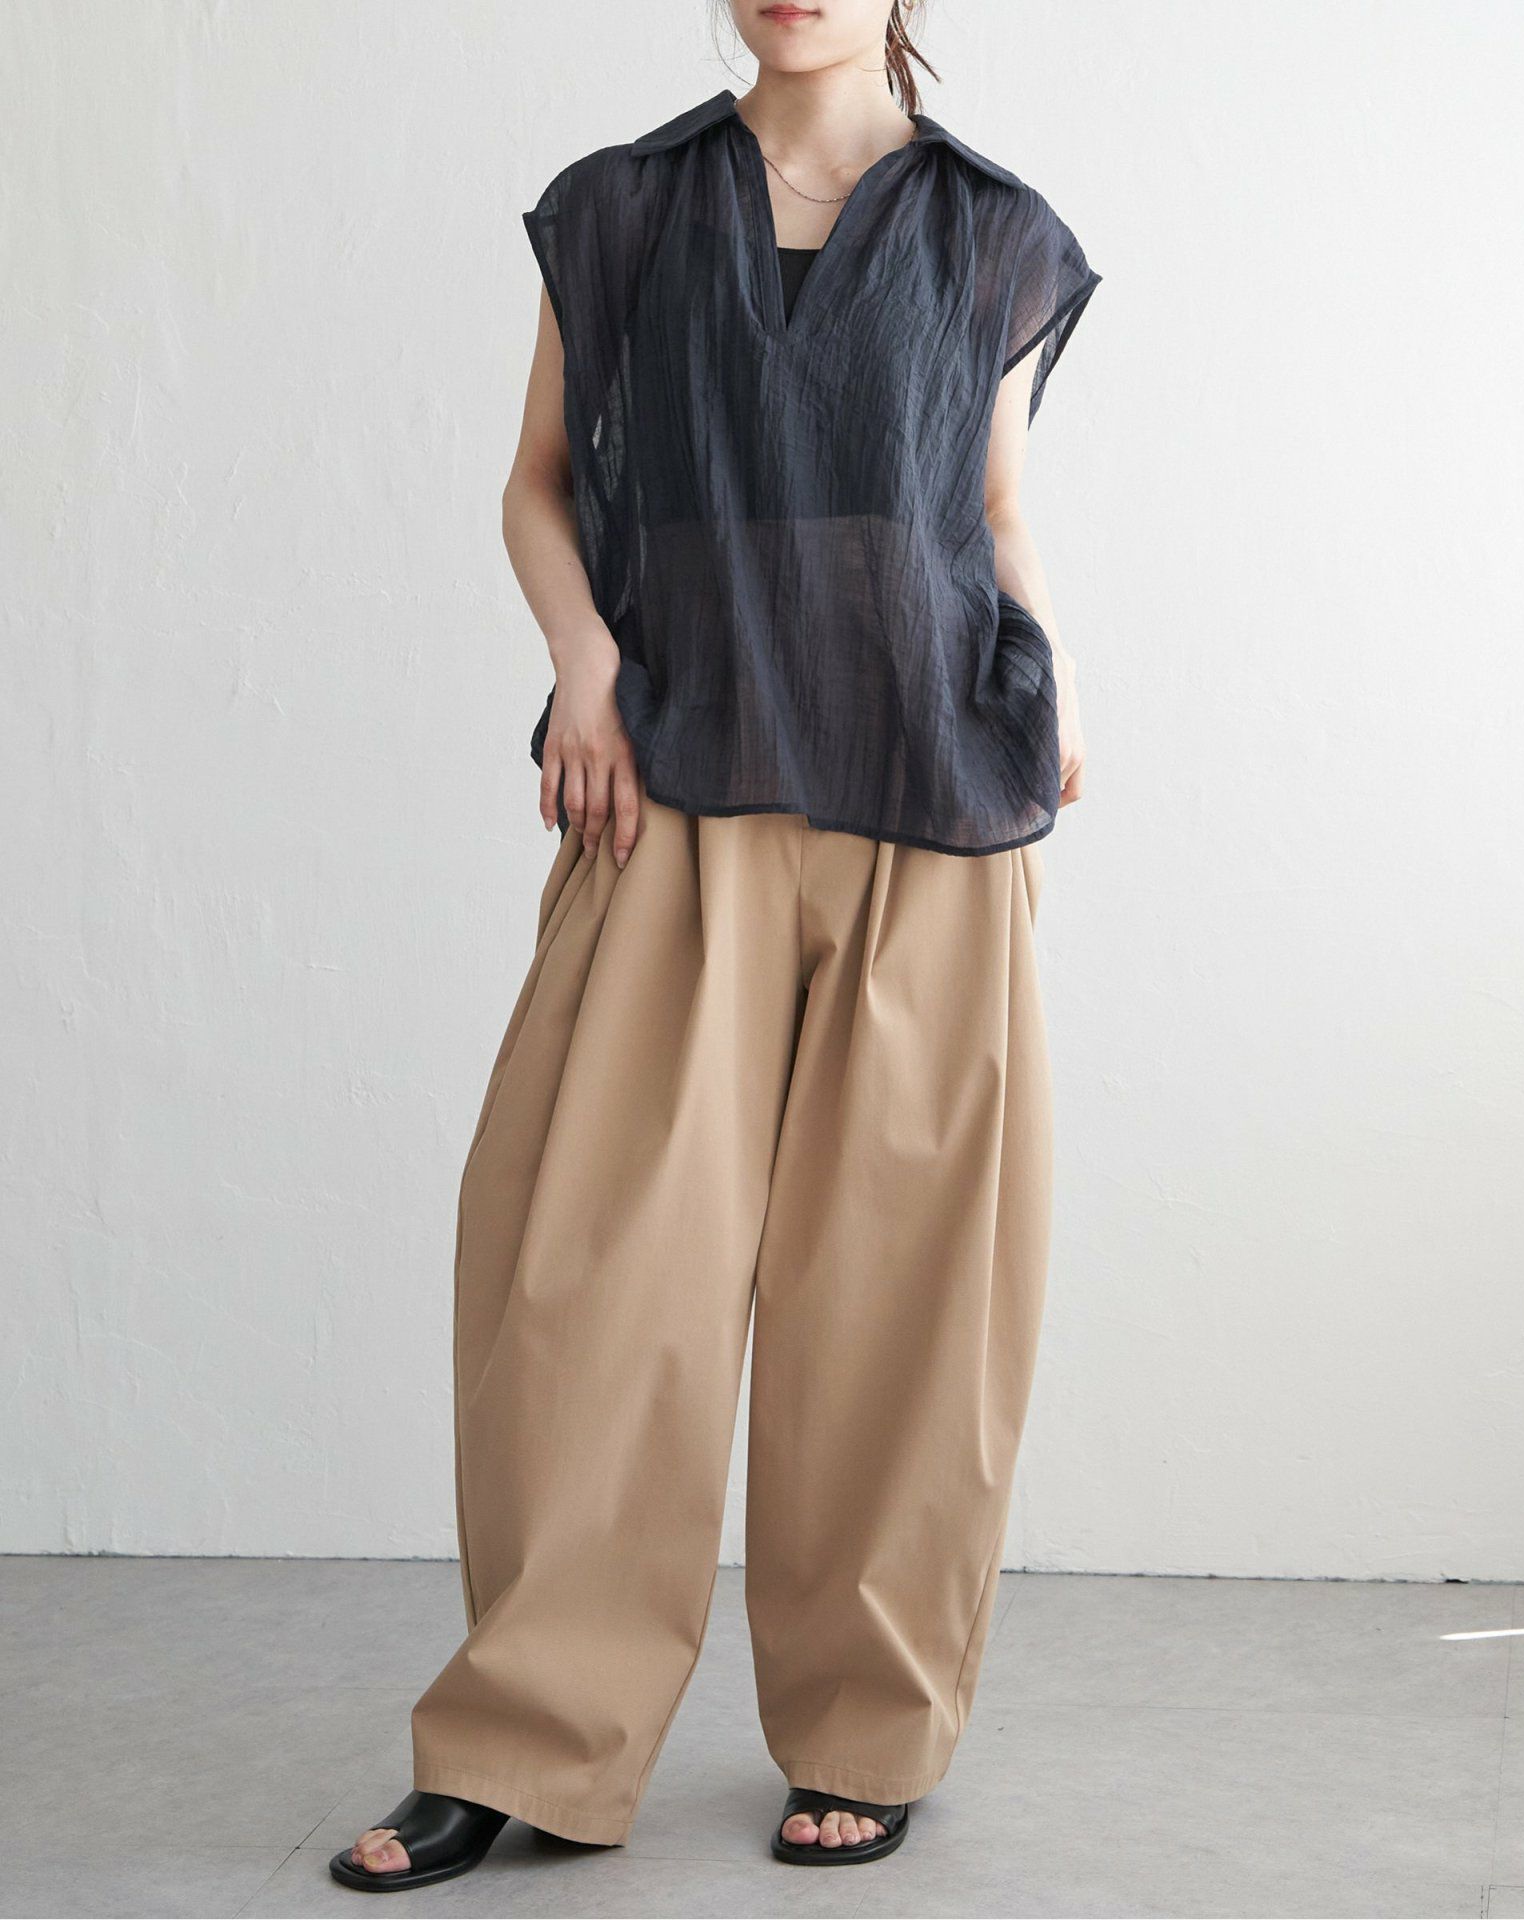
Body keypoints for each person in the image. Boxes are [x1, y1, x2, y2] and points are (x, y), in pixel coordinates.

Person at [329, 0, 1099, 1890]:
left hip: (927, 799)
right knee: (587, 1284)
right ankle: (529, 1740)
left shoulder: (992, 231)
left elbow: (992, 508)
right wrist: (583, 667)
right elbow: (536, 480)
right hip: (670, 787)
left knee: (902, 1303)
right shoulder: (621, 208)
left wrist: (1060, 675)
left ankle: (867, 1730)